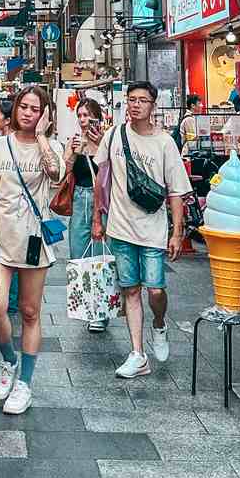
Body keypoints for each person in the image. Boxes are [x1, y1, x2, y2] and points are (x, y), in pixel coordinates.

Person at [93, 80, 190, 378]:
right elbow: (101, 177)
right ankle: (138, 354)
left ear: (153, 106)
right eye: (131, 99)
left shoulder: (164, 143)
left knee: (155, 289)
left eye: (142, 100)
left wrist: (177, 231)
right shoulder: (113, 135)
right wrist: (98, 219)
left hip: (153, 228)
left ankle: (159, 324)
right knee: (130, 290)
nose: (135, 105)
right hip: (120, 228)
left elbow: (175, 191)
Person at [0, 86, 65, 414]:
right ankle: (8, 360)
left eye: (36, 109)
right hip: (1, 241)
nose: (28, 113)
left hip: (34, 240)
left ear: (45, 114)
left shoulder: (52, 146)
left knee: (30, 312)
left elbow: (55, 172)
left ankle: (25, 383)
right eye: (24, 106)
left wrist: (44, 136)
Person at [66, 96, 108, 332]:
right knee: (78, 254)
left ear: (97, 117)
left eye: (87, 115)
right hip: (79, 199)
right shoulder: (75, 141)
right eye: (80, 116)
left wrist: (101, 145)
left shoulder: (105, 142)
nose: (83, 120)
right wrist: (73, 152)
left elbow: (111, 173)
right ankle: (85, 305)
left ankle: (99, 312)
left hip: (100, 201)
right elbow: (63, 173)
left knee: (99, 256)